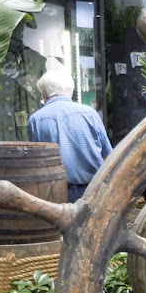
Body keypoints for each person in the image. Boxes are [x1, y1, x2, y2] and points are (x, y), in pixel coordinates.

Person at [28, 68, 112, 202]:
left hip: (55, 193)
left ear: (44, 94)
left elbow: (37, 162)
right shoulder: (90, 113)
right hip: (93, 189)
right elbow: (108, 154)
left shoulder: (36, 120)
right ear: (70, 91)